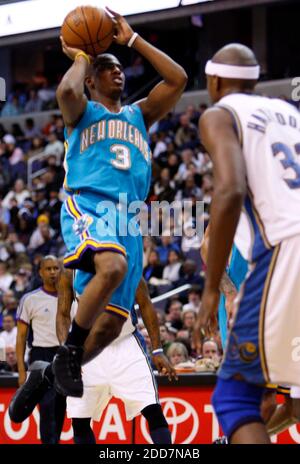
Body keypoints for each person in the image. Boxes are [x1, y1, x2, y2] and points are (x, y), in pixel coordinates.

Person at [52, 8, 187, 397]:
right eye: (107, 68)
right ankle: (67, 357)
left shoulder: (139, 114)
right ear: (91, 80)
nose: (118, 72)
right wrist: (82, 55)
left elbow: (178, 79)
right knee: (111, 267)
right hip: (90, 206)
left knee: (111, 325)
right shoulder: (80, 112)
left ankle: (51, 374)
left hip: (130, 219)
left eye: (119, 67)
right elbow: (65, 91)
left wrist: (131, 41)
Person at [195, 43, 300, 444]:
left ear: (215, 80)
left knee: (235, 400)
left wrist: (210, 291)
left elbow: (231, 188)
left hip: (285, 247)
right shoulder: (289, 113)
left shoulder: (220, 114)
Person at [10, 271, 176, 444]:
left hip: (126, 345)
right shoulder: (69, 271)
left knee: (153, 410)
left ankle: (45, 373)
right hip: (87, 348)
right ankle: (45, 373)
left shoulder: (127, 264)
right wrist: (67, 351)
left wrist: (157, 350)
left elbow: (146, 304)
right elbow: (63, 314)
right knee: (80, 420)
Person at [15, 255, 66, 444]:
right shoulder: (30, 299)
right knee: (47, 407)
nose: (53, 272)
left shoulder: (71, 297)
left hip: (63, 356)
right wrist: (21, 371)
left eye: (56, 268)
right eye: (48, 269)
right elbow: (20, 337)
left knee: (60, 408)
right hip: (40, 357)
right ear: (40, 273)